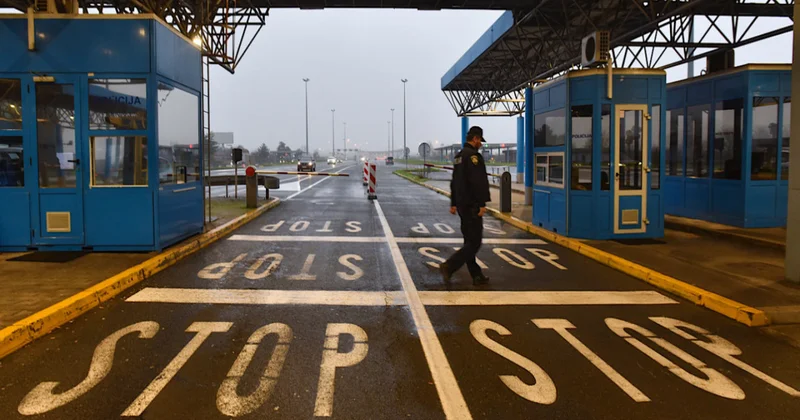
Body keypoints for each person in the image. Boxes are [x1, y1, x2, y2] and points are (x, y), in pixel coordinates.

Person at [440, 126, 491, 285]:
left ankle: (476, 275)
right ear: (475, 138)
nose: (480, 144)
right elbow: (479, 182)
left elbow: (455, 181)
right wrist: (482, 204)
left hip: (462, 205)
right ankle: (449, 266)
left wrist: (454, 202)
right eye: (480, 141)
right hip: (472, 205)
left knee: (469, 241)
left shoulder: (459, 156)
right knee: (475, 242)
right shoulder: (474, 157)